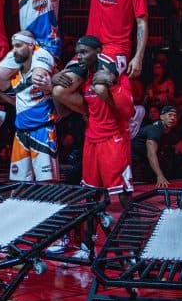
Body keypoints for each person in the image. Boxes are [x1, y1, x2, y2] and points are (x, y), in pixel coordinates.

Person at [53, 35, 134, 207]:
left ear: (98, 52)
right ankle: (91, 233)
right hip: (91, 139)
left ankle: (132, 228)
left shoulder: (118, 77)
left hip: (114, 138)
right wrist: (53, 84)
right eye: (77, 53)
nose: (79, 56)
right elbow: (62, 112)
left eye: (84, 52)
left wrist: (110, 88)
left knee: (123, 191)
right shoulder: (84, 81)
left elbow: (128, 112)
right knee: (91, 191)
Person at [0, 30, 59, 183]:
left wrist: (50, 87)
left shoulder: (44, 67)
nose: (15, 50)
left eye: (19, 46)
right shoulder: (15, 76)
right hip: (21, 131)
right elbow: (16, 102)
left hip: (42, 129)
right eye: (13, 46)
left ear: (31, 45)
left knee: (46, 182)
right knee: (19, 182)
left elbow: (58, 94)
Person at [131, 104, 179, 188]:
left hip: (146, 162)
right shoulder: (154, 129)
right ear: (162, 117)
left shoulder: (169, 130)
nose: (173, 118)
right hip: (135, 163)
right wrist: (159, 175)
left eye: (175, 115)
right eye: (170, 115)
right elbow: (151, 154)